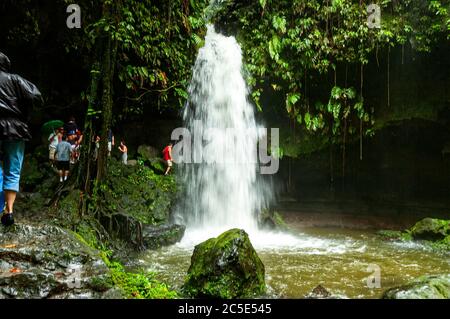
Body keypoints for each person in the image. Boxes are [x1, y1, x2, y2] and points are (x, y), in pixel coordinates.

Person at [0, 52, 42, 226]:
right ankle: (9, 211)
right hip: (16, 129)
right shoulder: (16, 80)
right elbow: (37, 97)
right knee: (13, 169)